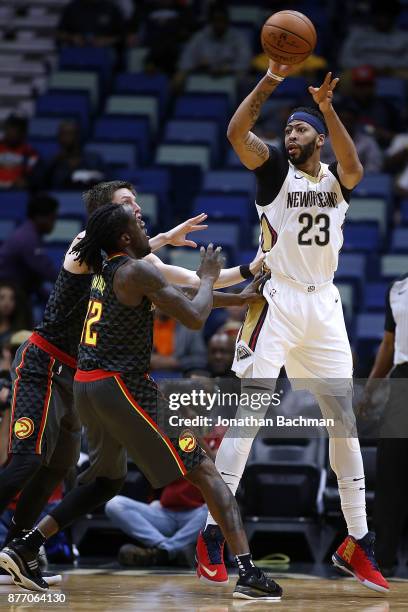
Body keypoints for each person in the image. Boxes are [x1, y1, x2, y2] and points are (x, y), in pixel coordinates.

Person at [0, 204, 282, 601]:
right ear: (125, 237)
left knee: (107, 480)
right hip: (124, 385)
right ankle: (249, 572)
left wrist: (236, 299)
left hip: (87, 385)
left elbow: (174, 297)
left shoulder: (106, 268)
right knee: (204, 469)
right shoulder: (139, 269)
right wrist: (208, 277)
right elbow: (194, 316)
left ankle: (26, 543)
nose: (143, 221)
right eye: (136, 221)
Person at [195, 60, 389, 594]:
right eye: (288, 130)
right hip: (276, 300)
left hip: (324, 306)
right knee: (250, 415)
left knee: (342, 420)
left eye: (301, 129)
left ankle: (358, 543)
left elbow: (355, 168)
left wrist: (326, 107)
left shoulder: (335, 181)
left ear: (319, 139)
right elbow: (237, 132)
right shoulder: (274, 171)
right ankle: (213, 533)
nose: (291, 135)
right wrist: (271, 81)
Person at [359, 272, 408, 576]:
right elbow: (388, 344)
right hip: (403, 381)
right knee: (391, 473)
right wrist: (370, 390)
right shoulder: (398, 289)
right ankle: (383, 561)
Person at [173, 3, 250, 91]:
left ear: (227, 21)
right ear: (211, 22)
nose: (219, 24)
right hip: (201, 75)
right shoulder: (200, 37)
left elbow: (244, 62)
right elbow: (185, 62)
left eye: (222, 20)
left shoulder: (238, 37)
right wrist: (197, 65)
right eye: (216, 20)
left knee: (245, 78)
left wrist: (228, 68)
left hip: (230, 76)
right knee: (178, 78)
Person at [0, 194, 58, 301]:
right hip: (6, 295)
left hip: (14, 292)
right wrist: (73, 285)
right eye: (52, 218)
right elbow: (47, 270)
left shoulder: (30, 233)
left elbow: (35, 280)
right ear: (39, 217)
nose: (54, 223)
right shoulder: (27, 238)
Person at [340, 1, 408, 74]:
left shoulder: (404, 37)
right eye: (380, 15)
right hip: (362, 72)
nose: (383, 19)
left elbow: (406, 60)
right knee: (344, 77)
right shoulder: (357, 34)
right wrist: (368, 67)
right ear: (373, 16)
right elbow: (344, 59)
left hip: (394, 72)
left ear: (394, 17)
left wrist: (388, 67)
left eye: (387, 16)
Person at [321, 102, 383, 174]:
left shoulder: (368, 142)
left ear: (356, 122)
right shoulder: (324, 143)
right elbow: (317, 166)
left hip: (362, 182)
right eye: (343, 121)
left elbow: (374, 166)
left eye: (349, 121)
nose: (346, 124)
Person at [42, 121, 105, 190]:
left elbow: (107, 184)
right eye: (64, 134)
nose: (67, 138)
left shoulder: (94, 160)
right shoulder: (50, 162)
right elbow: (40, 187)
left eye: (71, 133)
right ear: (59, 137)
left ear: (78, 136)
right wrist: (54, 162)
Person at [151, 307, 207, 374]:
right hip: (147, 376)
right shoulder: (143, 325)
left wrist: (177, 362)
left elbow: (200, 359)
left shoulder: (190, 326)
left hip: (178, 376)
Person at [57, 0, 125, 48]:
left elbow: (124, 37)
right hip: (76, 56)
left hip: (106, 56)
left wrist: (106, 41)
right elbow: (59, 34)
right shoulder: (72, 7)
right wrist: (72, 38)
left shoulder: (112, 8)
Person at [0, 116, 38, 190]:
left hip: (17, 192)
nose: (12, 132)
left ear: (23, 133)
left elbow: (34, 176)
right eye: (10, 127)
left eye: (16, 129)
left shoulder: (30, 153)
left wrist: (28, 182)